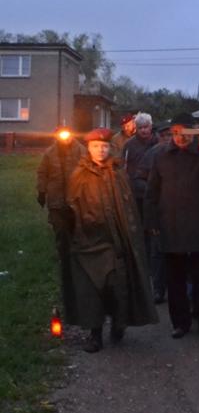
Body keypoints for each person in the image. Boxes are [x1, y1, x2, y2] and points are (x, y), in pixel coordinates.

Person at [66, 128, 158, 353]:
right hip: (89, 243)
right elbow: (71, 206)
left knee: (117, 286)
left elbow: (128, 207)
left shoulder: (117, 174)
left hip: (116, 241)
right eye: (96, 146)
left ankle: (119, 322)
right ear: (89, 149)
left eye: (104, 146)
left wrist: (128, 235)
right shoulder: (79, 174)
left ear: (110, 148)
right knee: (93, 289)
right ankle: (95, 334)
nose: (100, 150)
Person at [144, 113, 199, 338]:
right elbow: (152, 192)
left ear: (193, 132)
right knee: (175, 279)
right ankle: (180, 322)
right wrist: (151, 221)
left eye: (186, 132)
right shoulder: (161, 156)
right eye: (176, 132)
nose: (181, 137)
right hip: (172, 226)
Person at [36, 127, 87, 313]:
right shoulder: (49, 153)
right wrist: (42, 191)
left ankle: (79, 259)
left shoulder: (81, 150)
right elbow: (42, 172)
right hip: (57, 201)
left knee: (78, 230)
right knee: (60, 231)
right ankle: (64, 257)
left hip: (76, 200)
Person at [134, 121, 172, 303]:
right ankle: (158, 288)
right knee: (158, 252)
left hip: (181, 214)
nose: (168, 139)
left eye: (171, 135)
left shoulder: (185, 153)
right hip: (159, 212)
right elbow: (138, 179)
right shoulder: (153, 154)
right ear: (158, 137)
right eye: (164, 136)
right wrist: (154, 189)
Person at [123, 112, 158, 217]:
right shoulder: (129, 145)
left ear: (150, 126)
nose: (143, 130)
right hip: (136, 191)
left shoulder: (158, 142)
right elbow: (124, 166)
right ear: (136, 128)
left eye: (145, 127)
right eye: (140, 128)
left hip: (155, 190)